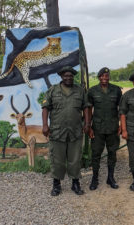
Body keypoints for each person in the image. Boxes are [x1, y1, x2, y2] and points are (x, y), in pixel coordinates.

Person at [42, 66, 90, 196]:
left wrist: (87, 123)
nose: (68, 78)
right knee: (57, 159)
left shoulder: (80, 91)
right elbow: (45, 108)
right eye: (66, 76)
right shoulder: (53, 90)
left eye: (70, 76)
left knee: (75, 159)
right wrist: (45, 125)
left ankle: (75, 183)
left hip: (75, 131)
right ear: (61, 77)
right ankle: (56, 185)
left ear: (73, 77)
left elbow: (86, 107)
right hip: (57, 131)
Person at [87, 67, 122, 191]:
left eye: (106, 76)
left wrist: (121, 125)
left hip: (112, 128)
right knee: (96, 154)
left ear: (109, 77)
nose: (104, 78)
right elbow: (88, 110)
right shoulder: (92, 91)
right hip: (97, 128)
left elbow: (121, 109)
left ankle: (110, 178)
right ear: (99, 77)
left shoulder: (116, 90)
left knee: (112, 153)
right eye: (102, 76)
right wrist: (89, 127)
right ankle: (94, 178)